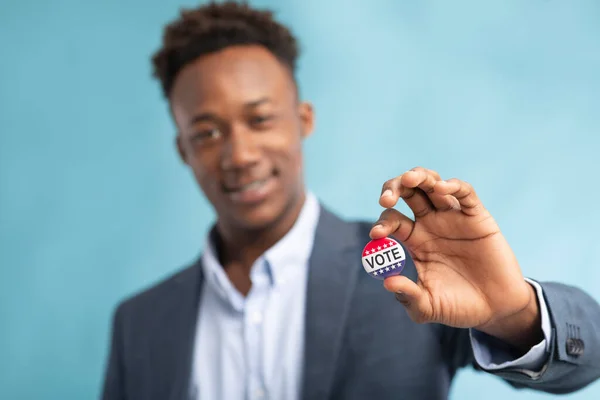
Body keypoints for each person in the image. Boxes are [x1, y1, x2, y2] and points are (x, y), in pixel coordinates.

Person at [100, 2, 600, 399]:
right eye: (207, 132)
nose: (240, 154)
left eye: (260, 119)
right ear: (183, 149)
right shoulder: (139, 325)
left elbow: (590, 357)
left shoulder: (410, 265)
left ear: (304, 120)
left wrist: (511, 311)